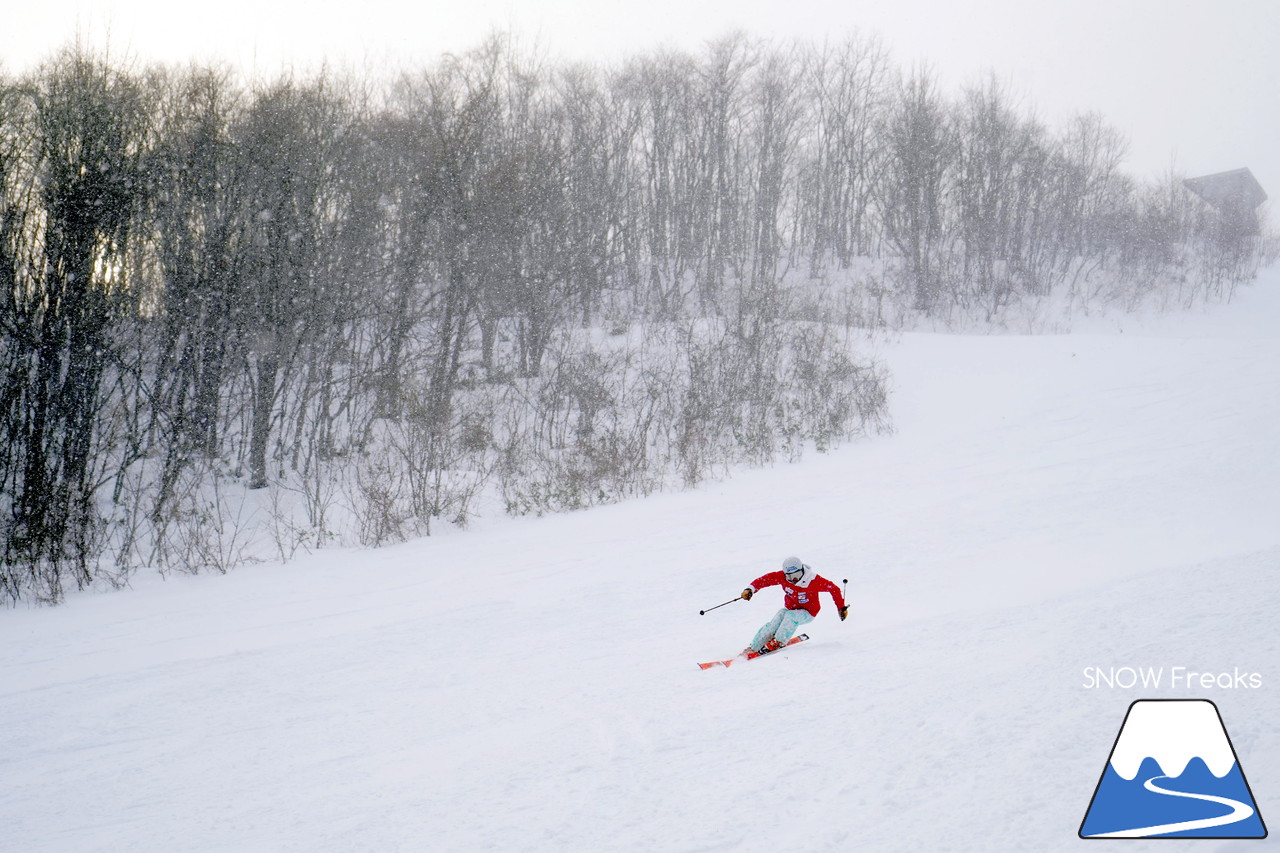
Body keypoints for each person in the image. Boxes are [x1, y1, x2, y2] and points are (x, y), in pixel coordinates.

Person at [740, 556, 848, 654]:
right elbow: (765, 580)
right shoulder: (781, 577)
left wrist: (841, 607)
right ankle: (754, 647)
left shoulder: (813, 580)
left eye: (796, 575)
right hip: (790, 609)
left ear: (802, 570)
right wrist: (751, 589)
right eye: (789, 576)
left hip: (808, 613)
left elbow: (834, 589)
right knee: (777, 619)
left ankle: (779, 641)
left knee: (791, 617)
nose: (794, 579)